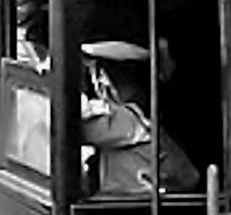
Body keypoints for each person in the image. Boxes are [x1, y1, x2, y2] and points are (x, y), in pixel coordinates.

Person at [80, 39, 199, 196]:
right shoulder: (142, 116)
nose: (100, 81)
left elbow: (69, 127)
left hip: (133, 208)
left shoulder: (130, 118)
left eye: (104, 71)